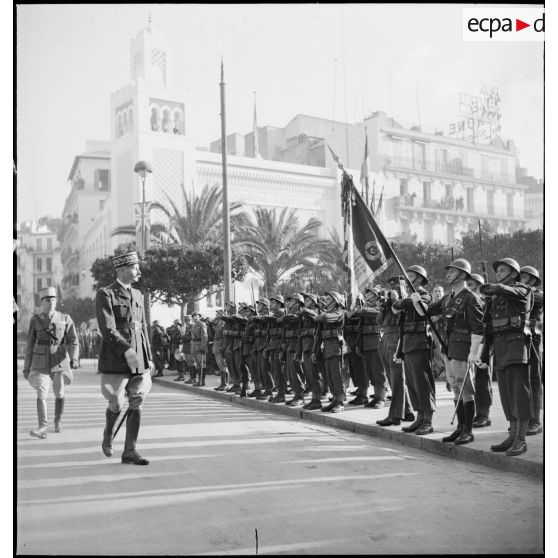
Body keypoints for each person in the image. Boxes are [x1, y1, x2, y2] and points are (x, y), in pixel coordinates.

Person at [96, 251, 153, 466]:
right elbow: (107, 328)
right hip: (116, 358)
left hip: (139, 356)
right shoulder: (106, 293)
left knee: (137, 401)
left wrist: (148, 355)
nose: (138, 271)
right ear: (122, 270)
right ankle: (109, 431)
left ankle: (130, 451)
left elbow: (143, 327)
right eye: (134, 267)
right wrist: (126, 349)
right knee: (116, 401)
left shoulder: (138, 294)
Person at [478, 258, 532, 456]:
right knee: (506, 395)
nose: (498, 273)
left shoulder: (522, 289)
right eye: (497, 271)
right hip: (500, 347)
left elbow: (514, 293)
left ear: (514, 274)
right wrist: (484, 355)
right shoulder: (496, 296)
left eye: (502, 270)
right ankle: (512, 433)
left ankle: (521, 439)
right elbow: (489, 327)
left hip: (516, 345)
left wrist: (496, 287)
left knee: (519, 393)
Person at [428, 259, 484, 445]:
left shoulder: (470, 297)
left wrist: (473, 353)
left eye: (452, 272)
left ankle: (468, 431)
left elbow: (478, 328)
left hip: (463, 347)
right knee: (455, 387)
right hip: (449, 347)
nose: (448, 275)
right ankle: (460, 428)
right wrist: (415, 301)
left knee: (465, 389)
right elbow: (427, 312)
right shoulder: (447, 298)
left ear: (462, 274)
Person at [23, 286, 79, 438]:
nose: (51, 302)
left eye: (54, 299)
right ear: (42, 302)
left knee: (59, 391)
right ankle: (42, 426)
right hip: (40, 361)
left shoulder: (65, 318)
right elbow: (29, 345)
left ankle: (58, 420)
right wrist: (26, 368)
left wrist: (74, 358)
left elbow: (73, 341)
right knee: (42, 392)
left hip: (59, 360)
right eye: (48, 300)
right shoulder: (35, 320)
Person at [392, 265, 436, 435]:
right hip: (408, 344)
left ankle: (428, 420)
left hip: (420, 343)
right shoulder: (408, 297)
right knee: (412, 384)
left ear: (419, 278)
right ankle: (419, 417)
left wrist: (405, 301)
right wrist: (400, 350)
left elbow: (405, 303)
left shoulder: (424, 295)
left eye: (409, 275)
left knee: (423, 384)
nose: (405, 278)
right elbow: (397, 310)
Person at [376, 277, 414, 426]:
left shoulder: (405, 302)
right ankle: (408, 411)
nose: (393, 290)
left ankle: (395, 415)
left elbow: (402, 318)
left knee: (397, 378)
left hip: (397, 339)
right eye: (392, 287)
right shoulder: (388, 303)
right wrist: (383, 307)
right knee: (393, 379)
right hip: (386, 338)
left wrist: (396, 301)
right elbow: (380, 321)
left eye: (397, 287)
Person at [354, 288, 390, 408]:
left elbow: (372, 312)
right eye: (367, 293)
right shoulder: (366, 307)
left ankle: (381, 398)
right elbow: (360, 328)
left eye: (369, 293)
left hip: (376, 342)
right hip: (366, 342)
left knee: (379, 371)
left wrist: (362, 309)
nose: (367, 295)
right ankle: (376, 396)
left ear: (376, 295)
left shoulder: (380, 305)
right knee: (370, 372)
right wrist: (359, 344)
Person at [466, 273, 493, 428]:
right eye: (469, 284)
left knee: (483, 380)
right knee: (475, 380)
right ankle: (479, 412)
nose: (470, 287)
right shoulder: (469, 299)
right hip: (473, 341)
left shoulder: (485, 299)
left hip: (485, 342)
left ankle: (485, 414)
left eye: (473, 284)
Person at [519, 265, 544, 436]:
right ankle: (525, 419)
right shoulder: (520, 291)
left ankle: (536, 421)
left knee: (534, 380)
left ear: (533, 279)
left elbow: (528, 300)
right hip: (521, 340)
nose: (520, 279)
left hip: (534, 340)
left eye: (524, 276)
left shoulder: (538, 294)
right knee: (522, 381)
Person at [313, 291, 346, 413]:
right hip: (326, 348)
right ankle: (334, 400)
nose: (326, 301)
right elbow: (318, 335)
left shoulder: (339, 313)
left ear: (335, 301)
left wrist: (320, 316)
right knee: (329, 376)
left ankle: (340, 402)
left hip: (337, 347)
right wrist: (314, 351)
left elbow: (328, 318)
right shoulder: (325, 314)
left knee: (337, 376)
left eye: (328, 299)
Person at [279, 293, 307, 406]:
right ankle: (296, 394)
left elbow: (295, 319)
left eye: (291, 301)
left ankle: (300, 396)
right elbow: (284, 333)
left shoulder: (301, 314)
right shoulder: (289, 314)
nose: (288, 303)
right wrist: (283, 345)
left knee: (296, 371)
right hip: (289, 345)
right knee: (290, 372)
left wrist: (286, 317)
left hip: (296, 346)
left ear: (297, 303)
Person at [297, 293, 323, 410]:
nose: (305, 302)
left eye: (308, 300)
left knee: (314, 374)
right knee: (309, 375)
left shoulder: (316, 312)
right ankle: (314, 398)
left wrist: (305, 311)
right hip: (306, 347)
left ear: (313, 302)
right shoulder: (305, 316)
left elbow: (316, 317)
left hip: (313, 347)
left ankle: (317, 400)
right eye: (305, 300)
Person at [264, 295, 287, 403]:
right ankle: (279, 392)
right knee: (274, 369)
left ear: (279, 304)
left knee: (278, 370)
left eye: (273, 303)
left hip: (279, 344)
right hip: (273, 345)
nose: (271, 305)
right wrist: (267, 348)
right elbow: (269, 334)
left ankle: (281, 393)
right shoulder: (272, 315)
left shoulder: (282, 314)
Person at [430, 285, 446, 379]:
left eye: (439, 291)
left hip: (444, 330)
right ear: (432, 294)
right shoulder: (430, 305)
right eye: (435, 291)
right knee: (436, 350)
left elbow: (448, 314)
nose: (438, 293)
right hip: (433, 330)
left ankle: (444, 371)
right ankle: (439, 371)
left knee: (441, 350)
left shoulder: (446, 304)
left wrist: (438, 317)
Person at [212, 310, 230, 391]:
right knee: (220, 366)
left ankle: (225, 384)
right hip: (216, 344)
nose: (217, 315)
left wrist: (222, 347)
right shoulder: (218, 323)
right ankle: (222, 384)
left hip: (220, 344)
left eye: (219, 314)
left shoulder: (223, 323)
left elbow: (224, 337)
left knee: (223, 366)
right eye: (216, 314)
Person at [190, 312, 208, 386]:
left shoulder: (202, 324)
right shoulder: (194, 325)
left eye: (196, 316)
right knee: (197, 364)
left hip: (200, 345)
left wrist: (203, 347)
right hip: (194, 346)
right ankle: (199, 380)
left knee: (202, 363)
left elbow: (204, 336)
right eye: (193, 316)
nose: (194, 317)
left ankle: (202, 381)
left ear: (200, 317)